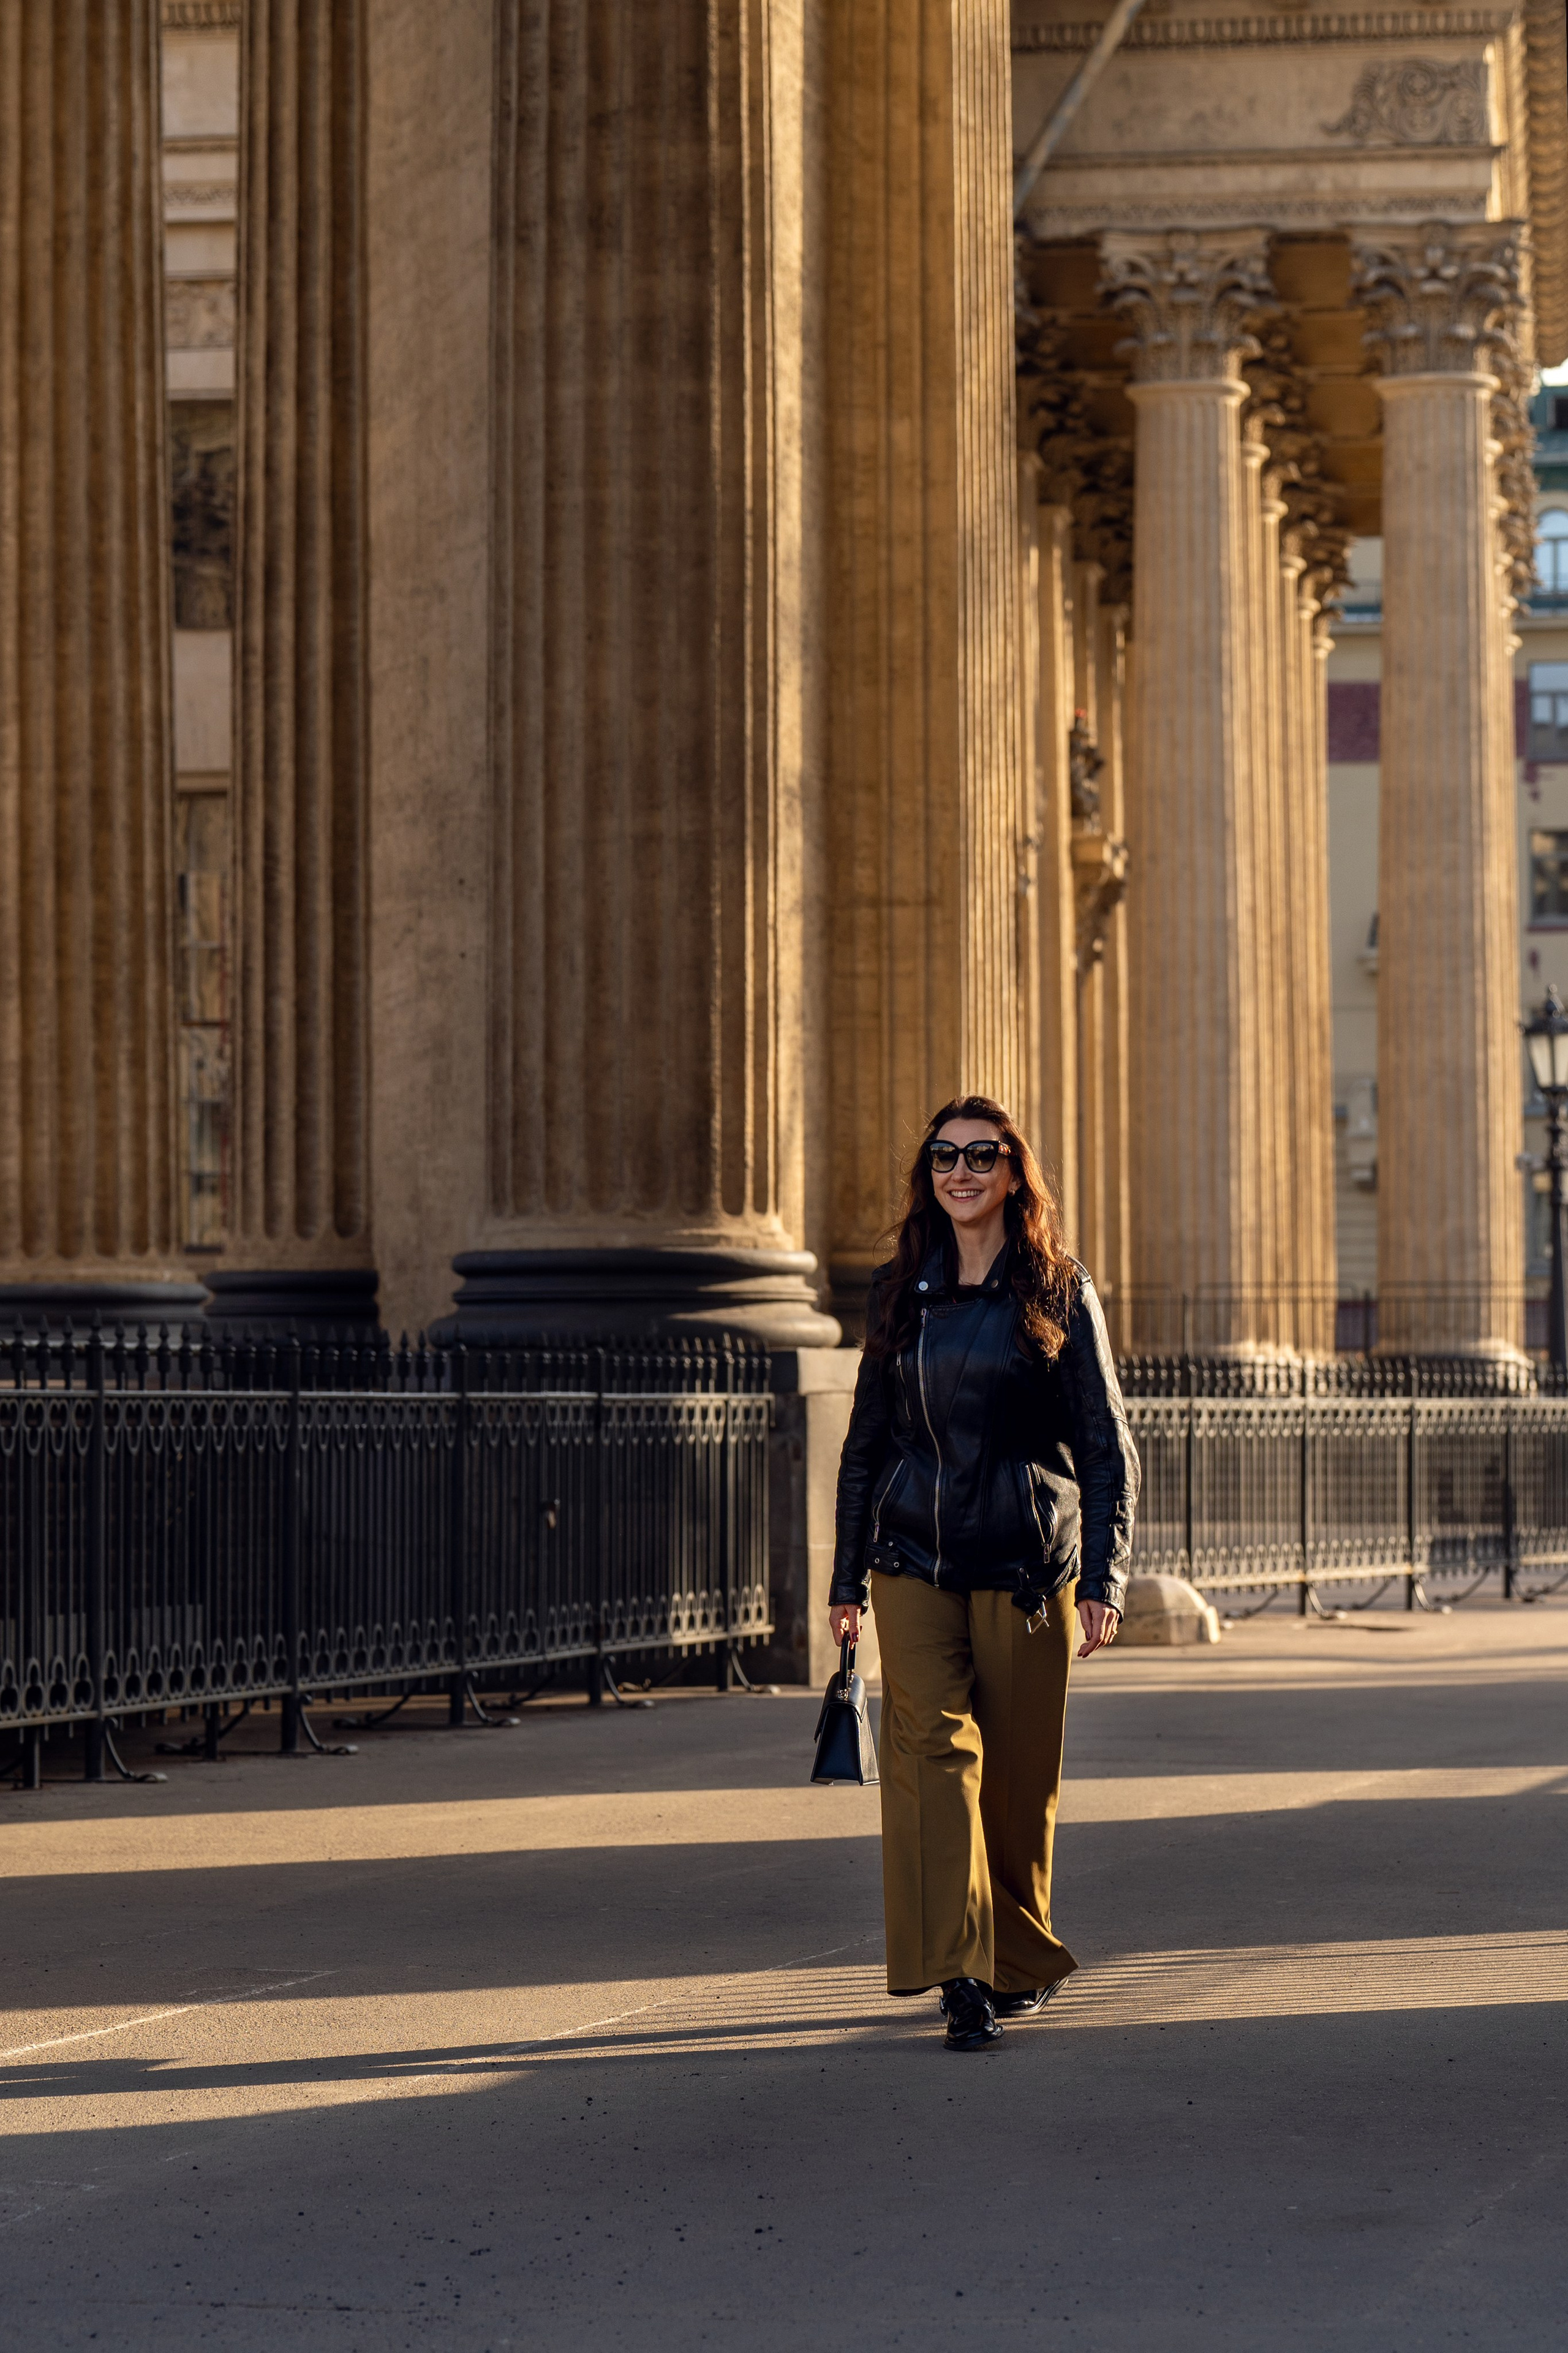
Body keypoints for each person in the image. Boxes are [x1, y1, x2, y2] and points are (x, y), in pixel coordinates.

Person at [830, 1094, 1139, 2052]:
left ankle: (1016, 1962)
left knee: (1014, 1776)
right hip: (911, 1558)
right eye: (942, 1157)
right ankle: (961, 1969)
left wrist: (1105, 1576)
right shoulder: (897, 1291)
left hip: (1023, 1563)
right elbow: (864, 1443)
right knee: (931, 1757)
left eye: (980, 1156)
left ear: (1014, 1173)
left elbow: (1104, 1442)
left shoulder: (1057, 1286)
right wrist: (845, 1579)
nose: (959, 1172)